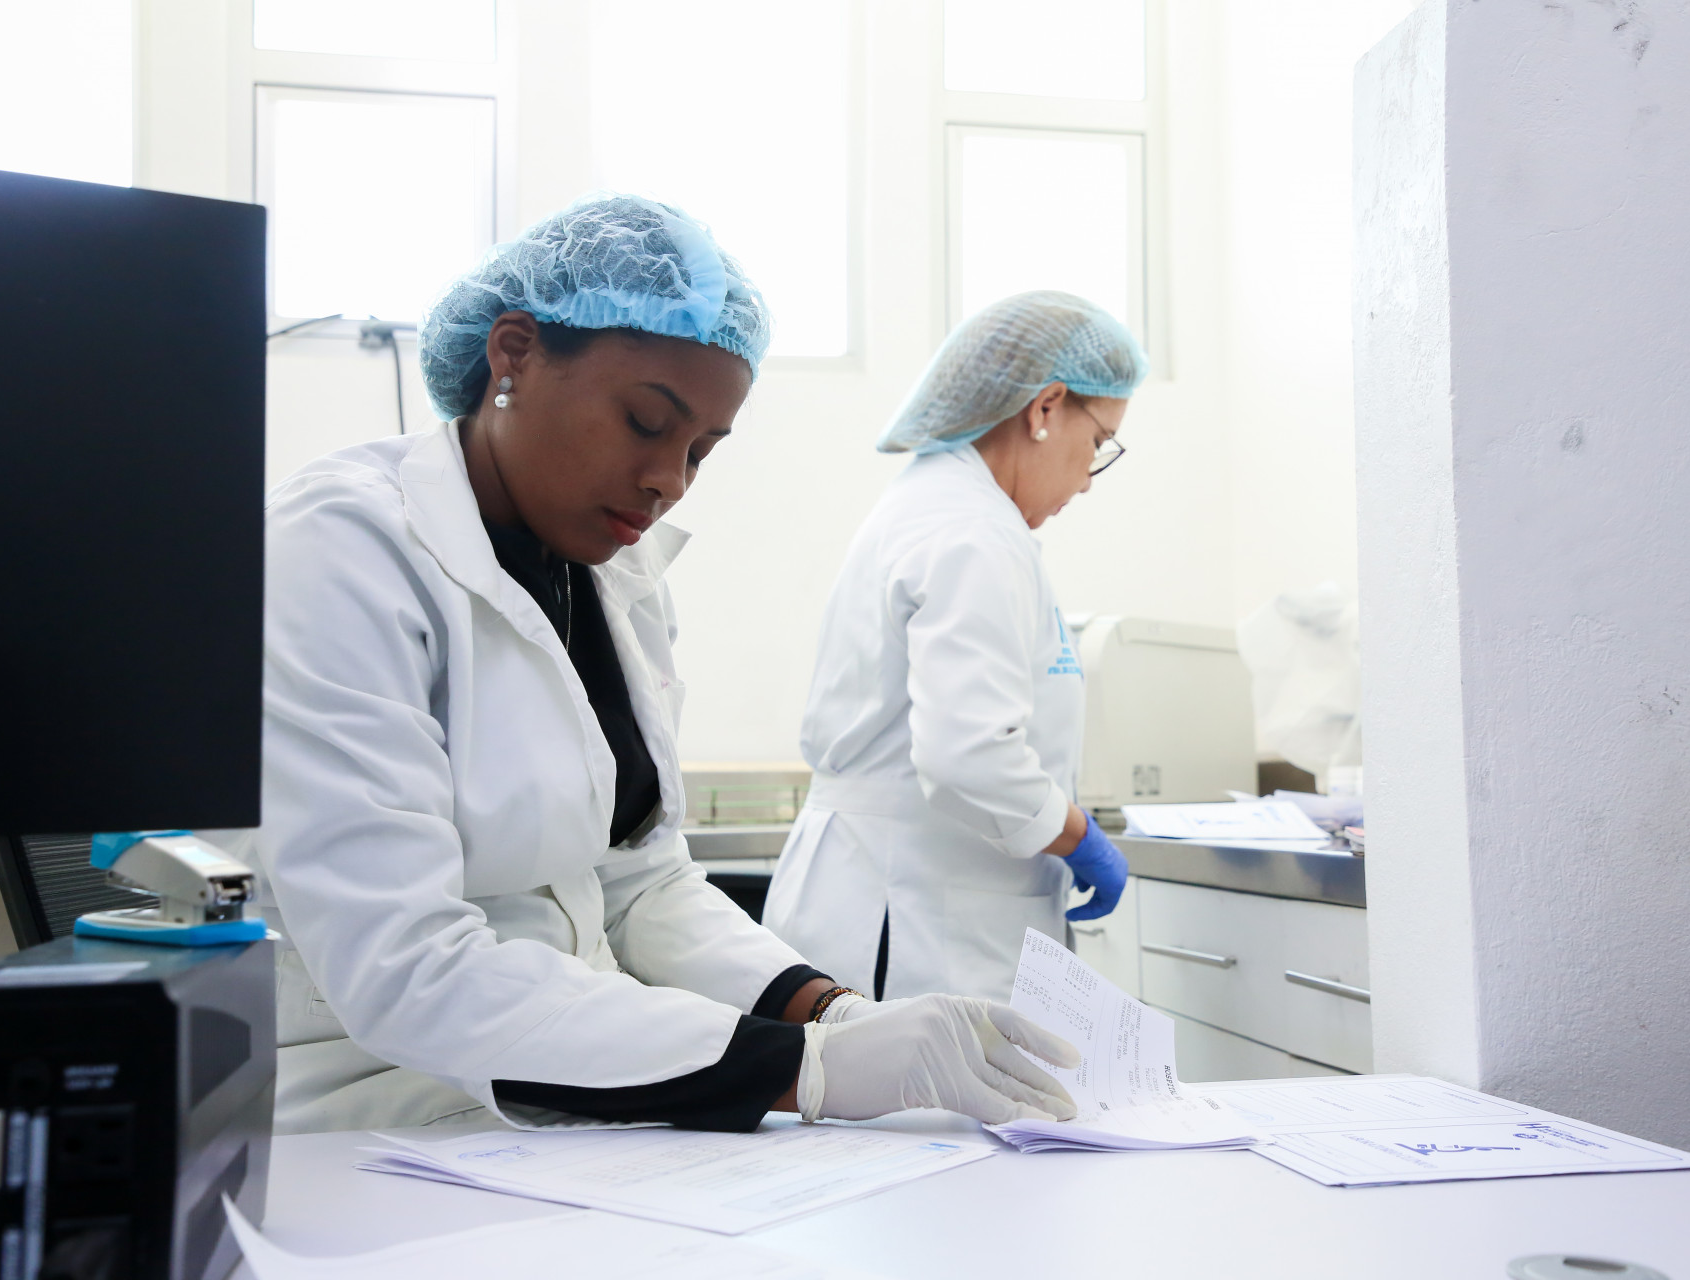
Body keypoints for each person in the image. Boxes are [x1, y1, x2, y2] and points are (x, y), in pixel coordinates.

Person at [214, 196, 1078, 1136]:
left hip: (564, 1095)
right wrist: (807, 1068)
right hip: (366, 1108)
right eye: (644, 421)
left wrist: (833, 1013)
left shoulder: (613, 575)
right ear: (512, 355)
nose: (670, 479)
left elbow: (641, 885)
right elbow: (406, 969)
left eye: (701, 450)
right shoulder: (340, 550)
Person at [762, 291, 1147, 1002]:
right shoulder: (972, 532)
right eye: (1098, 443)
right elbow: (970, 753)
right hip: (910, 917)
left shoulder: (945, 509)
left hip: (904, 897)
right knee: (919, 1077)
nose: (1088, 481)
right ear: (1045, 407)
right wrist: (1078, 836)